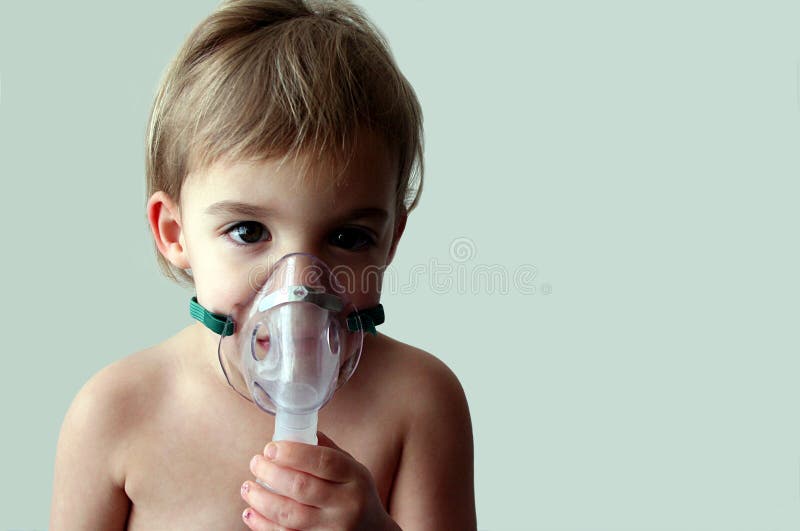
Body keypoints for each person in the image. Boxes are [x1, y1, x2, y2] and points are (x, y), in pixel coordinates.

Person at [49, 0, 476, 529]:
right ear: (174, 233)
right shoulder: (114, 415)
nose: (299, 285)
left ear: (390, 240)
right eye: (249, 232)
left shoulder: (418, 403)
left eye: (348, 237)